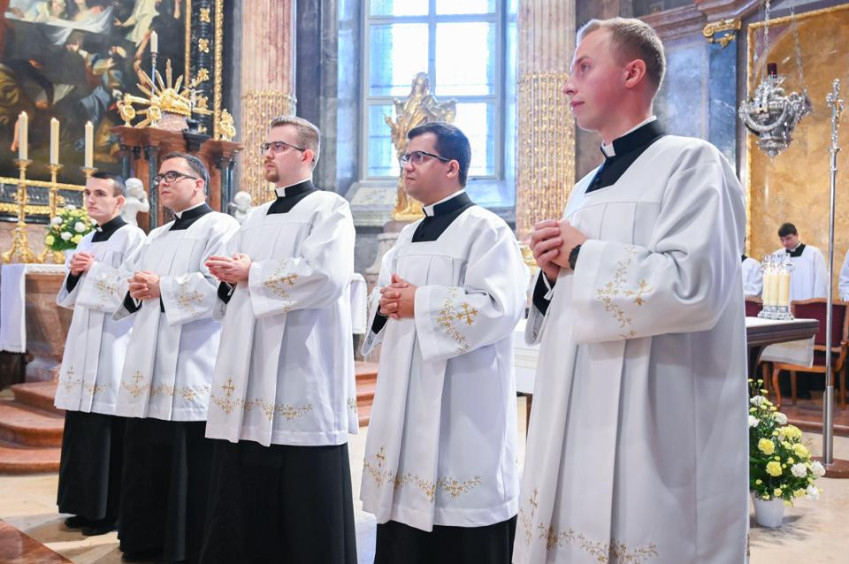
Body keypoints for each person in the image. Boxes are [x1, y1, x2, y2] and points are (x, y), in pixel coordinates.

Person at [516, 18, 747, 563]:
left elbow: (693, 286)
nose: (567, 85)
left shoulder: (692, 163)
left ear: (632, 72)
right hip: (577, 410)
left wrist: (580, 255)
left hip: (654, 414)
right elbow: (574, 294)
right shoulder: (583, 187)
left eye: (583, 67)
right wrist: (551, 277)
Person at [360, 122, 527, 563]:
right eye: (406, 157)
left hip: (463, 402)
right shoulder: (407, 235)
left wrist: (420, 301)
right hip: (405, 393)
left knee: (459, 517)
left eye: (419, 157)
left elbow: (500, 307)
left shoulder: (486, 230)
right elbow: (386, 300)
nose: (407, 166)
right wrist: (386, 302)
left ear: (452, 167)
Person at [201, 116, 358, 563]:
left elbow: (326, 276)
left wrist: (253, 273)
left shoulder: (329, 208)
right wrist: (229, 279)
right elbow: (236, 282)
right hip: (247, 361)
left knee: (302, 482)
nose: (268, 154)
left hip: (300, 360)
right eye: (266, 146)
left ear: (307, 155)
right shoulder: (252, 217)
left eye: (278, 146)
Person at [111, 152, 239, 563]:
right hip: (147, 357)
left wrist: (162, 287)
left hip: (191, 360)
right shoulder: (156, 235)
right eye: (161, 177)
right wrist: (135, 288)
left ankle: (185, 546)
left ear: (199, 183)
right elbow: (127, 283)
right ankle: (144, 539)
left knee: (187, 457)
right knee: (146, 454)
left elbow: (220, 287)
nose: (162, 183)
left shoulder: (221, 227)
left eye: (172, 175)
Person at [54, 172, 145, 537]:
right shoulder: (87, 238)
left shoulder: (133, 237)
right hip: (84, 339)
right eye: (88, 193)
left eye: (100, 194)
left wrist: (92, 271)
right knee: (81, 424)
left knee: (108, 428)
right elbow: (69, 297)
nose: (91, 200)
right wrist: (76, 275)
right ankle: (82, 505)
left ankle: (109, 512)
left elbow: (131, 291)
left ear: (119, 201)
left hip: (113, 342)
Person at [774, 223, 828, 301]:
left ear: (796, 235)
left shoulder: (814, 253)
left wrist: (817, 303)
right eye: (782, 240)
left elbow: (821, 282)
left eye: (788, 238)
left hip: (808, 303)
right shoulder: (777, 256)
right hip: (784, 303)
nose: (785, 243)